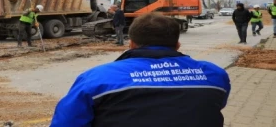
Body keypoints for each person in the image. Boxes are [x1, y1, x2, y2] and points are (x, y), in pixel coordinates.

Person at [50, 13, 231, 127]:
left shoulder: (96, 78)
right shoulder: (214, 75)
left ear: (131, 43)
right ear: (177, 45)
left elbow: (66, 122)